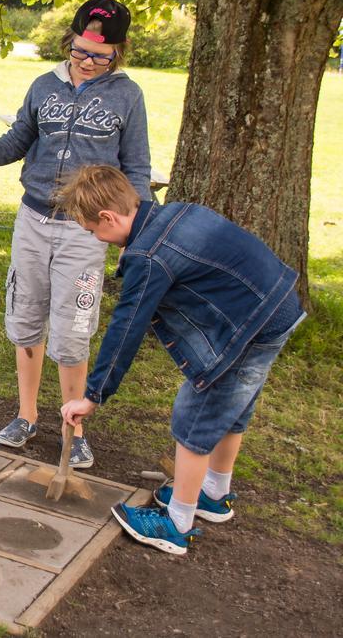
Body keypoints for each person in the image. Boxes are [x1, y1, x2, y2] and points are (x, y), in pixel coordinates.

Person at [55, 164, 305, 555]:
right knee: (231, 411)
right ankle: (213, 493)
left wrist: (93, 395)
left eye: (93, 231)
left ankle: (176, 522)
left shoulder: (148, 256)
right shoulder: (177, 212)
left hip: (248, 325)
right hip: (278, 307)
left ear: (108, 217)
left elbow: (126, 327)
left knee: (195, 417)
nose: (97, 239)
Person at [0, 0, 152, 468]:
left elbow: (138, 168)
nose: (86, 62)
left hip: (86, 232)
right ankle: (26, 415)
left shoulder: (128, 97)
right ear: (70, 42)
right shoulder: (44, 85)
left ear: (117, 54)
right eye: (79, 52)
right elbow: (19, 139)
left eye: (98, 57)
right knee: (26, 317)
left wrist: (139, 232)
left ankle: (74, 428)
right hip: (33, 222)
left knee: (73, 328)